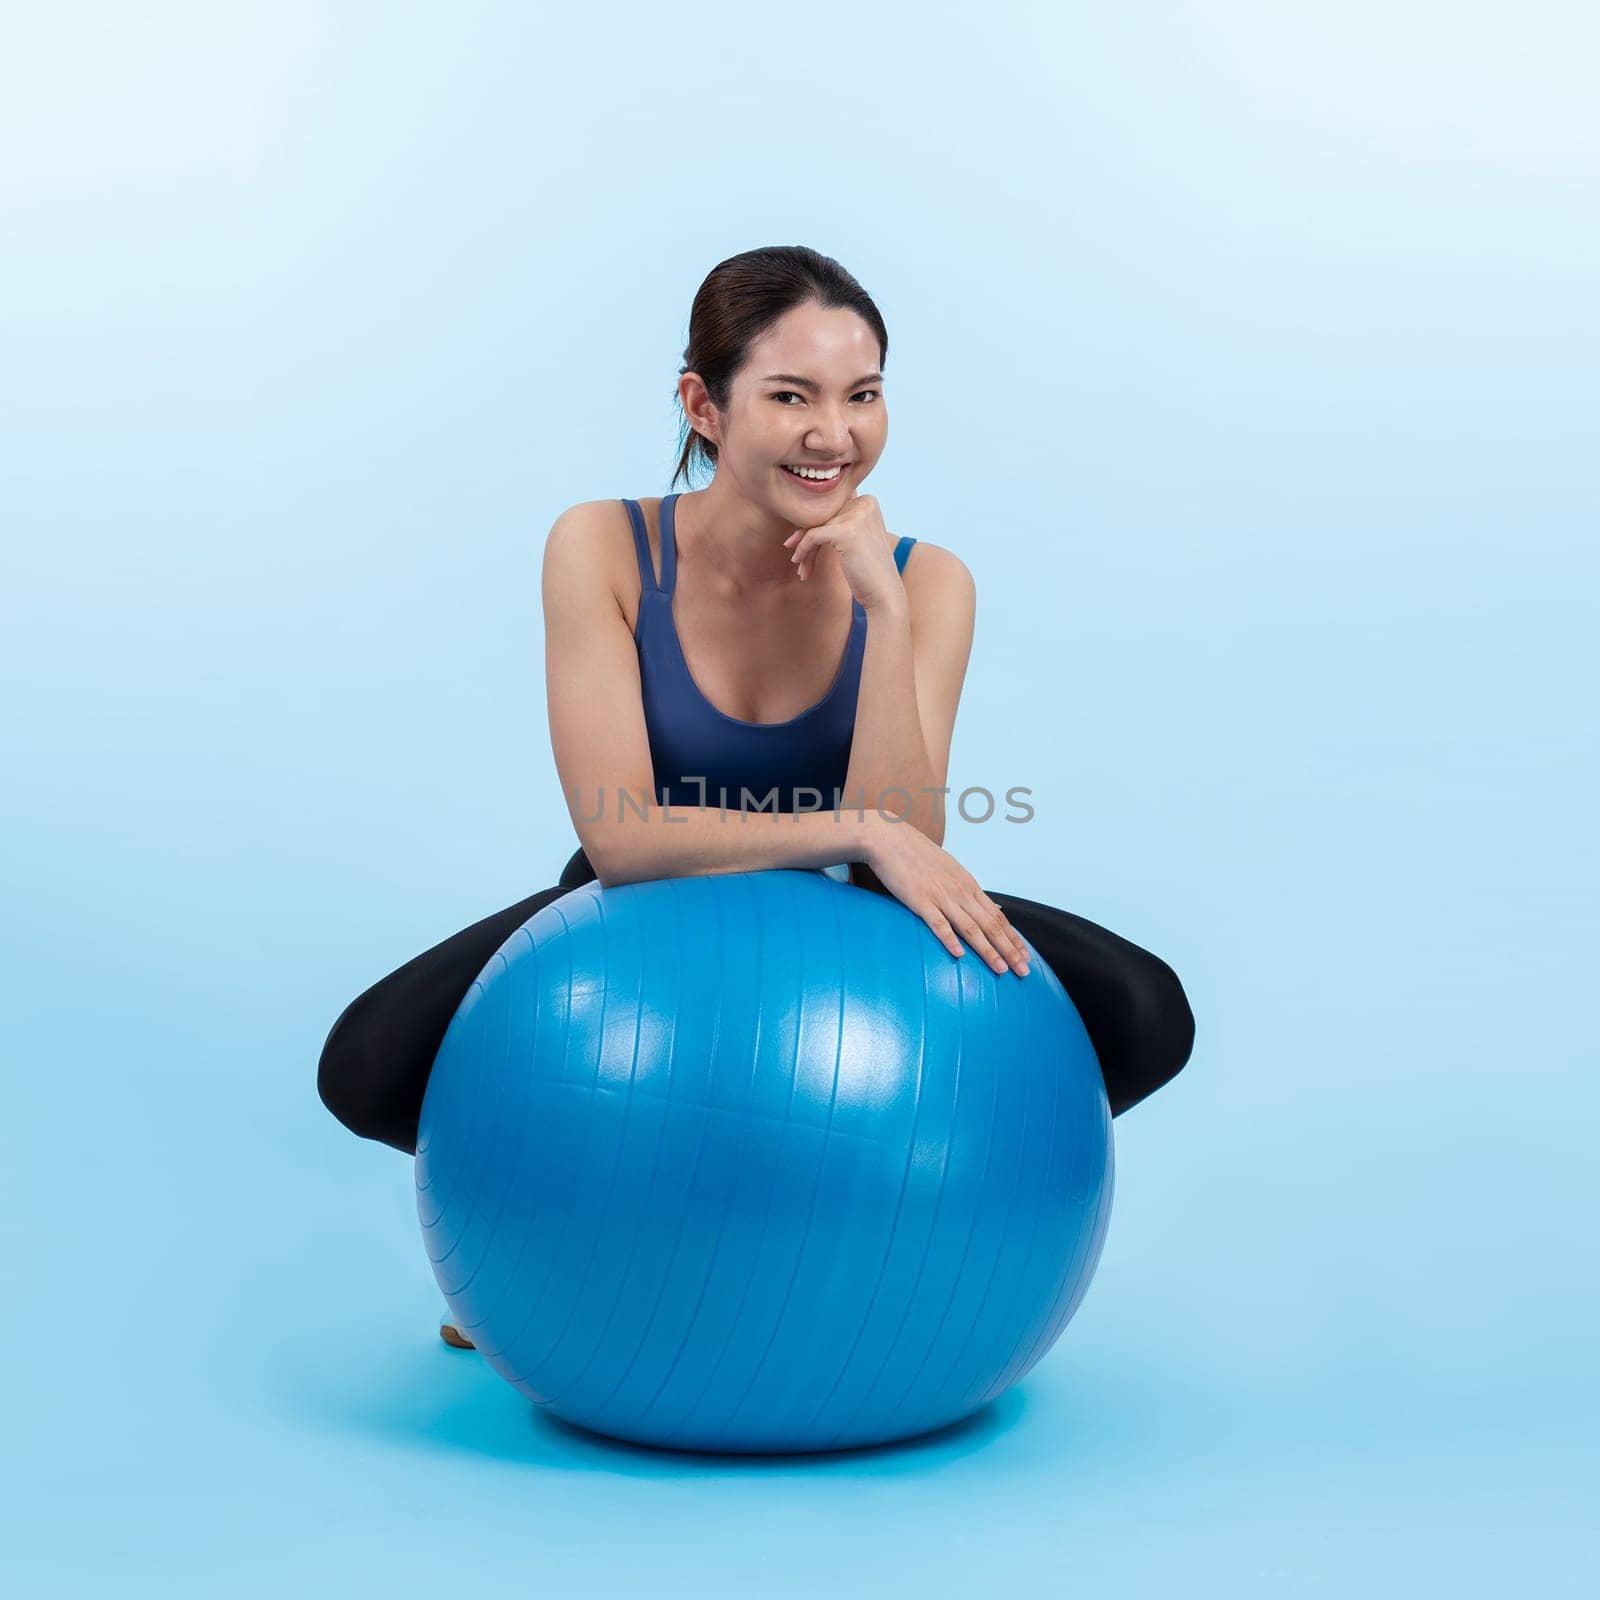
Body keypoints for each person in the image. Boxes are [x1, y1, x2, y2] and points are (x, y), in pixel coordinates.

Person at [317, 245, 1196, 1351]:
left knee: (1144, 1011)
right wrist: (860, 827)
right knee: (365, 1065)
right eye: (790, 396)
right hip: (640, 914)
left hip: (861, 920)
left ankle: (868, 1233)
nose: (833, 434)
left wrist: (879, 610)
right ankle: (555, 1255)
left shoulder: (928, 580)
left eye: (861, 396)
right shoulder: (602, 545)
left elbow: (903, 831)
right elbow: (621, 835)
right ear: (704, 404)